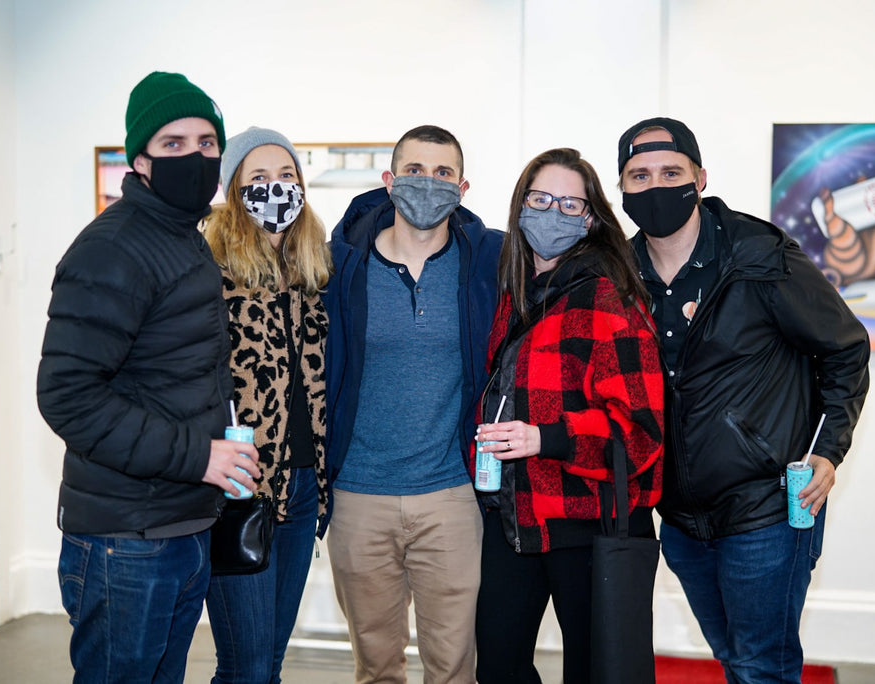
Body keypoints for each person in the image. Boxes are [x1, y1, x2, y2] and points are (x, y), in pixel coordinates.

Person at [617, 117, 871, 683]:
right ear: (623, 189)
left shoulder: (759, 255)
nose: (655, 185)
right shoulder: (620, 272)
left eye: (670, 171)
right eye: (639, 175)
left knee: (762, 666)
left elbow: (846, 349)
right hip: (679, 515)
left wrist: (828, 450)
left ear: (699, 177)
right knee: (734, 657)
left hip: (766, 509)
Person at [37, 71, 261, 683]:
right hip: (126, 540)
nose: (194, 156)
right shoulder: (113, 248)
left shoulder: (185, 240)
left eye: (206, 141)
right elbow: (68, 396)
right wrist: (199, 456)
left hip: (181, 526)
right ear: (139, 159)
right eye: (173, 143)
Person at [473, 148, 664, 684]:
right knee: (498, 665)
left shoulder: (606, 293)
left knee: (595, 670)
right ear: (520, 204)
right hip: (513, 516)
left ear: (590, 217)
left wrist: (546, 438)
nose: (552, 212)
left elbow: (641, 431)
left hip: (588, 522)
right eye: (540, 198)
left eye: (569, 203)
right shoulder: (516, 292)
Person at [322, 125, 503, 683]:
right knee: (376, 666)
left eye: (443, 173)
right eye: (416, 170)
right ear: (389, 181)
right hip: (358, 496)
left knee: (453, 667)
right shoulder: (339, 268)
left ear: (463, 187)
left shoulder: (487, 265)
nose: (429, 183)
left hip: (451, 496)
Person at [202, 127, 332, 683]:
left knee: (271, 660)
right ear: (234, 189)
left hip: (303, 486)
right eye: (258, 178)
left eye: (287, 177)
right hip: (240, 490)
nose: (275, 189)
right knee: (245, 667)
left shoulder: (312, 271)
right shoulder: (210, 272)